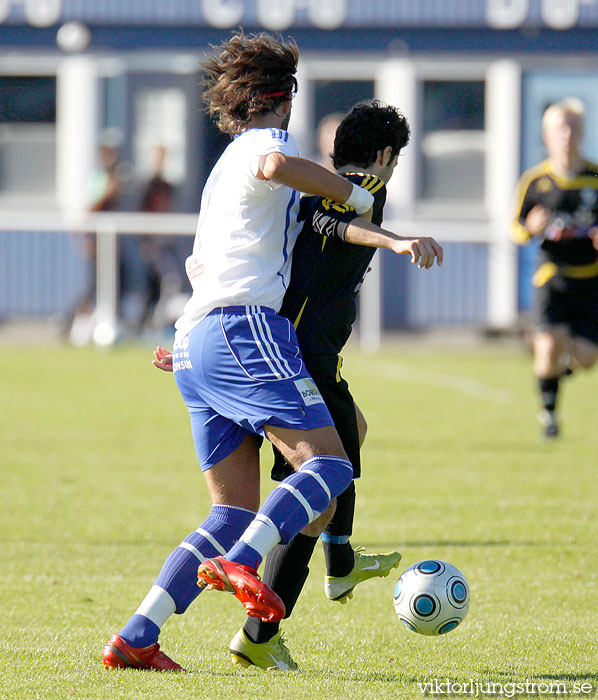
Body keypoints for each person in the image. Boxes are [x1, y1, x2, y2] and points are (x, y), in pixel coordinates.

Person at [102, 32, 441, 673]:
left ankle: (137, 635)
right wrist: (359, 195)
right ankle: (246, 562)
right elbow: (278, 168)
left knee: (230, 510)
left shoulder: (223, 162)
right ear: (283, 97)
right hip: (239, 328)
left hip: (199, 338)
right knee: (331, 467)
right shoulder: (266, 145)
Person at [511, 97, 598, 439]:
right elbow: (516, 228)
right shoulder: (536, 181)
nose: (567, 134)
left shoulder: (594, 177)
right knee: (548, 350)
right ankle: (549, 417)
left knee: (588, 358)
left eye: (574, 127)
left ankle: (553, 364)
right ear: (547, 136)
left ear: (583, 132)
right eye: (560, 127)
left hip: (591, 280)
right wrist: (531, 228)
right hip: (552, 277)